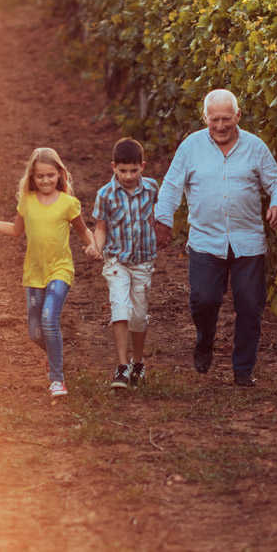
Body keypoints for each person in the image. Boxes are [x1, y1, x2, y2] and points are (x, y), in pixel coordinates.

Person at [154, 89, 277, 387]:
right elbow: (171, 187)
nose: (220, 126)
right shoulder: (191, 147)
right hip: (206, 240)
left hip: (248, 242)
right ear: (205, 118)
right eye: (214, 119)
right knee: (204, 300)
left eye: (226, 118)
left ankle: (243, 370)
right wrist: (163, 220)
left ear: (238, 116)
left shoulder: (255, 147)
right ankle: (205, 340)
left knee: (251, 305)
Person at [0, 148, 100, 398]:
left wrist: (92, 244)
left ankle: (57, 379)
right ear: (32, 177)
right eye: (40, 176)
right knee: (35, 332)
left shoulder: (68, 203)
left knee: (49, 319)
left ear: (59, 174)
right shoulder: (27, 201)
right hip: (34, 274)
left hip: (60, 270)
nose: (45, 180)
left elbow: (83, 230)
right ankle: (54, 353)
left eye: (50, 175)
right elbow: (16, 230)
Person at [91, 138, 159, 390]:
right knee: (120, 307)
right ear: (113, 167)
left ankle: (137, 363)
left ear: (142, 166)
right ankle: (121, 366)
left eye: (134, 170)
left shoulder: (152, 189)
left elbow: (158, 217)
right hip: (116, 261)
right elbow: (101, 229)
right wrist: (95, 247)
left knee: (139, 317)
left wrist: (162, 232)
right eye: (122, 171)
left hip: (143, 262)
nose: (128, 176)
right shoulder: (105, 195)